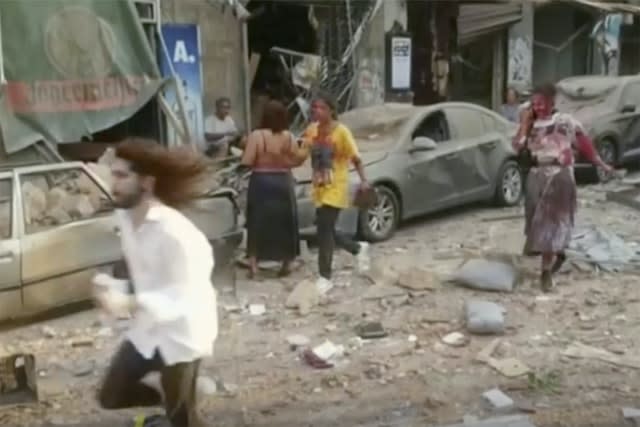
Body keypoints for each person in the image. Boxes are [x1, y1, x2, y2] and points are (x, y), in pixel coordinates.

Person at [93, 139, 217, 427]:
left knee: (184, 421)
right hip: (147, 331)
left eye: (123, 177)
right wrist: (113, 288)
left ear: (147, 183)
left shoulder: (176, 233)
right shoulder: (125, 219)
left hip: (183, 335)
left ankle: (183, 400)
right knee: (111, 396)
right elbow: (148, 278)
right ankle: (177, 396)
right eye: (114, 174)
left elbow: (187, 296)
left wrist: (128, 302)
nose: (114, 184)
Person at [513, 83, 612, 292]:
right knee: (534, 224)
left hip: (560, 176)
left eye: (541, 103)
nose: (538, 107)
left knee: (549, 226)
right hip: (536, 176)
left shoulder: (565, 122)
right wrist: (524, 124)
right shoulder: (530, 124)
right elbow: (517, 146)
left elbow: (584, 143)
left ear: (552, 101)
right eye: (534, 104)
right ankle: (559, 251)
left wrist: (600, 164)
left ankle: (546, 273)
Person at [288, 93, 370, 295]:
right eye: (314, 107)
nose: (316, 111)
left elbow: (356, 159)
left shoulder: (342, 132)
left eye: (321, 108)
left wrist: (364, 181)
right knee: (326, 227)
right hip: (319, 186)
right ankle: (357, 248)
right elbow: (301, 155)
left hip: (336, 186)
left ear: (331, 110)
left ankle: (325, 277)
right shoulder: (311, 131)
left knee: (324, 230)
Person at [241, 100, 300, 278]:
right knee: (285, 222)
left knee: (256, 221)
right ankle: (287, 263)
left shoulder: (256, 136)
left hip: (261, 181)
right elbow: (296, 159)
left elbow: (247, 161)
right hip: (283, 181)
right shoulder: (289, 137)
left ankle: (253, 265)